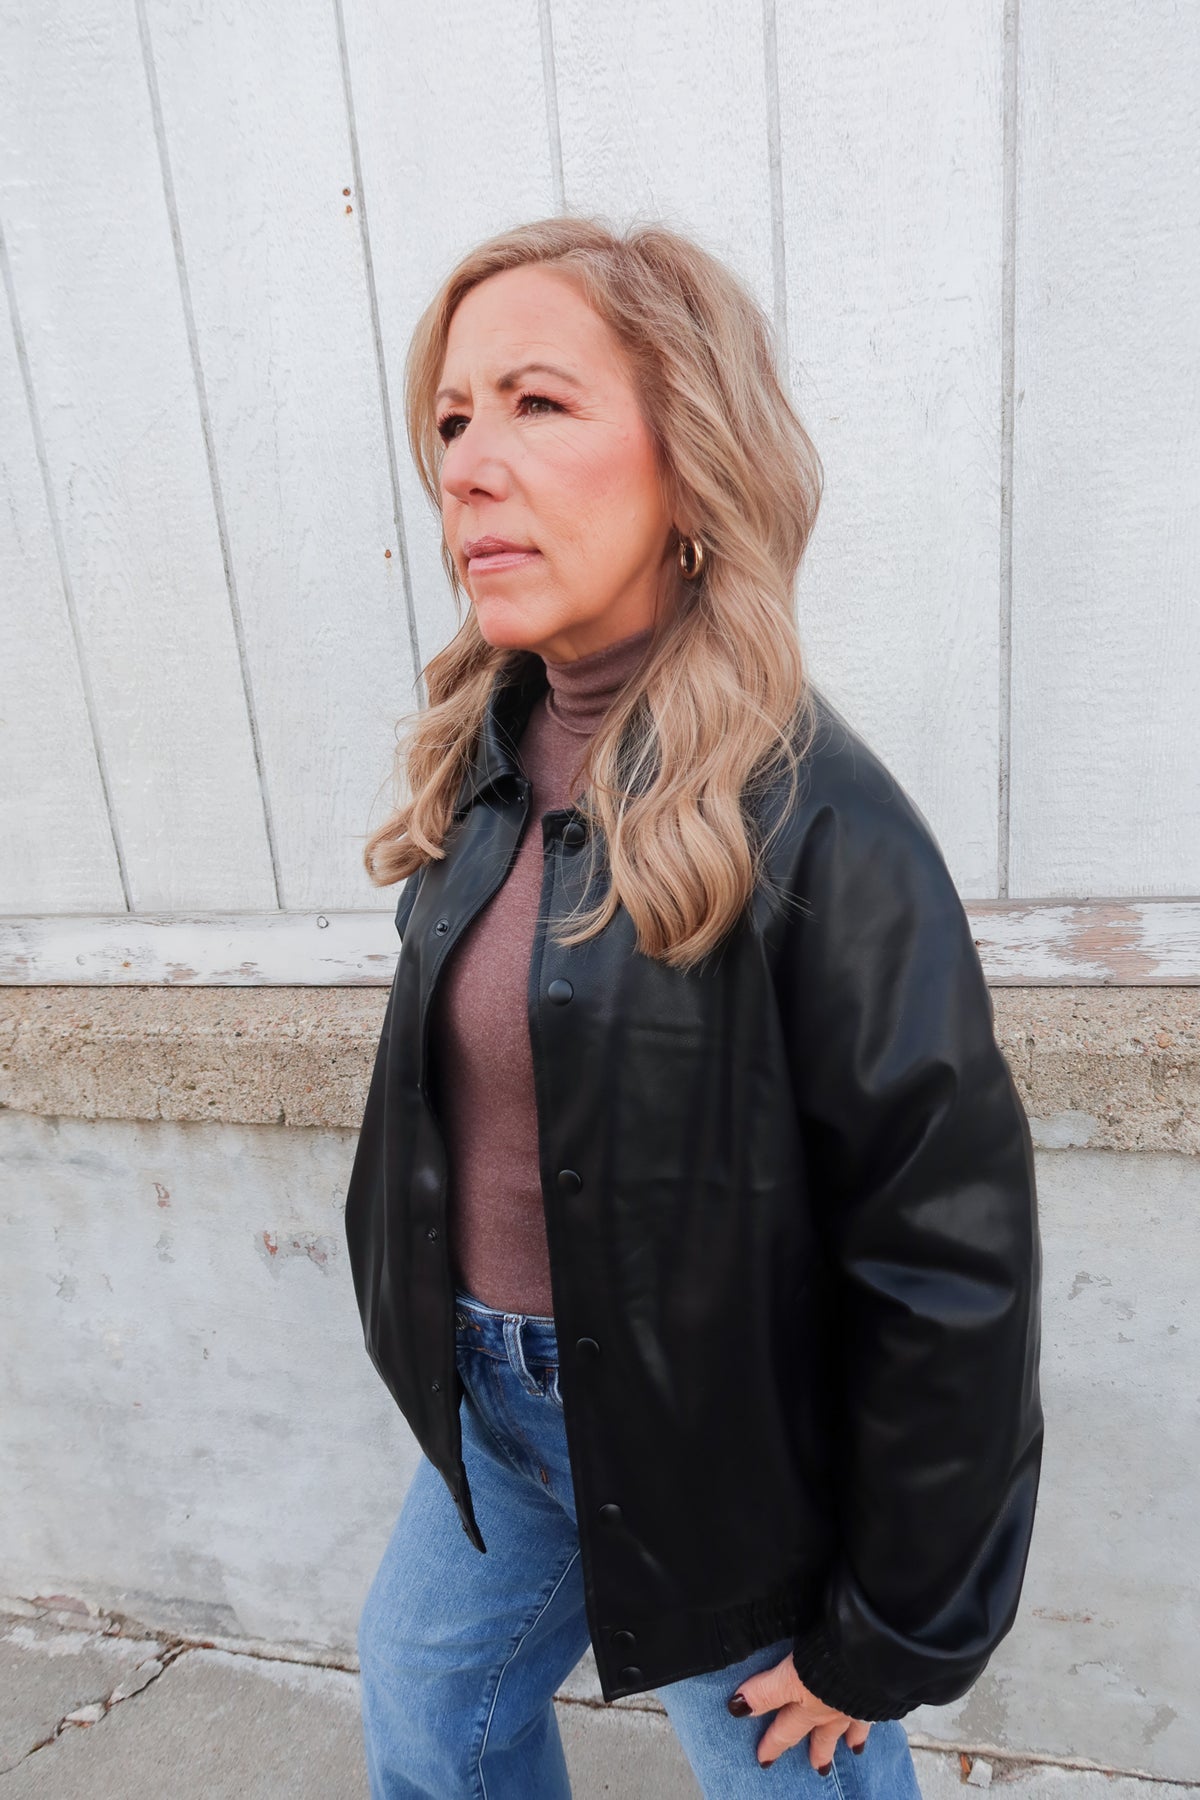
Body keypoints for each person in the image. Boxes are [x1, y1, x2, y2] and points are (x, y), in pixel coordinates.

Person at [344, 215, 1043, 1799]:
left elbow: (949, 1255)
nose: (468, 466)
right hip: (496, 1411)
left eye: (537, 403)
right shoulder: (480, 771)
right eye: (451, 420)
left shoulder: (818, 819)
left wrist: (889, 1628)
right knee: (432, 1720)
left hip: (726, 1460)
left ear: (691, 454)